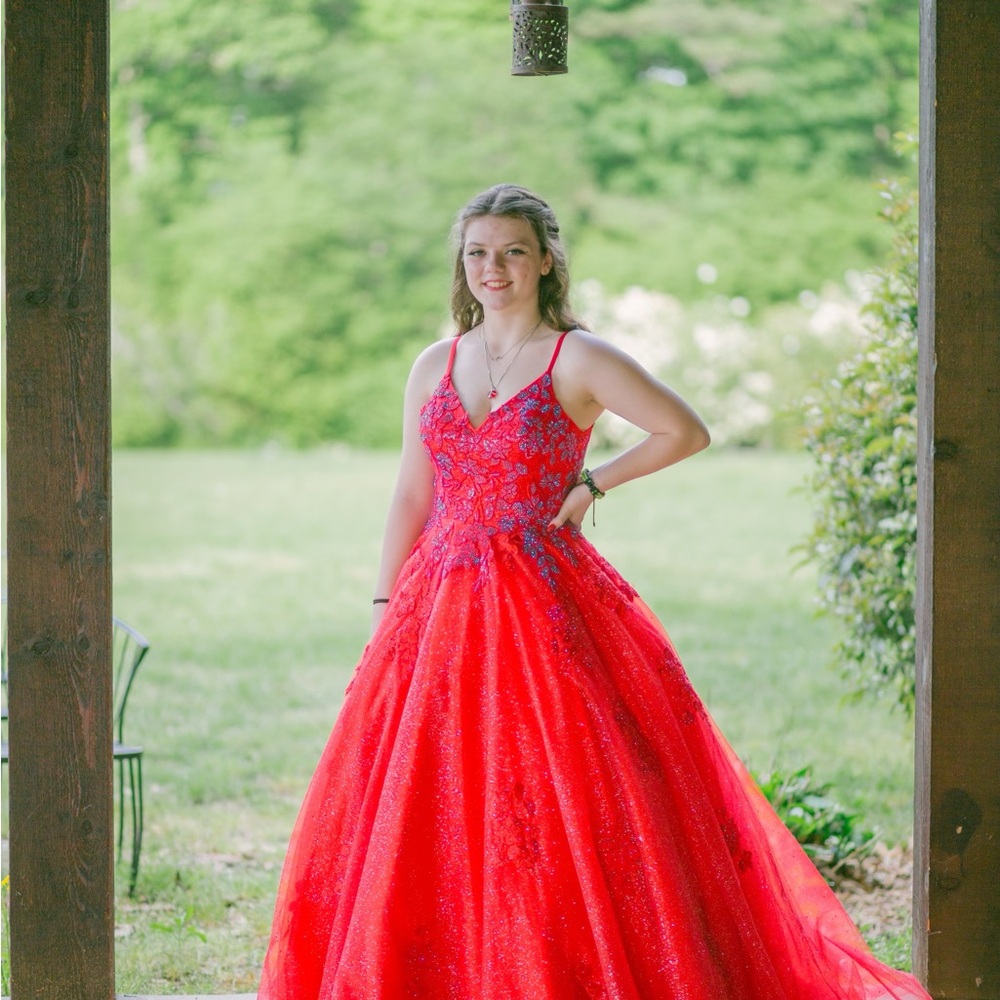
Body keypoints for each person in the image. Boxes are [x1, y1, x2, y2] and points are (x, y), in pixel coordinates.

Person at [258, 184, 930, 999]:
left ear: (545, 259)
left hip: (540, 603)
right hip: (433, 606)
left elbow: (684, 430)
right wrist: (381, 605)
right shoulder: (435, 363)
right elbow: (411, 491)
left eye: (511, 251)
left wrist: (594, 482)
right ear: (461, 264)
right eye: (477, 253)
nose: (492, 269)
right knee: (427, 791)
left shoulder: (576, 356)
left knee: (556, 793)